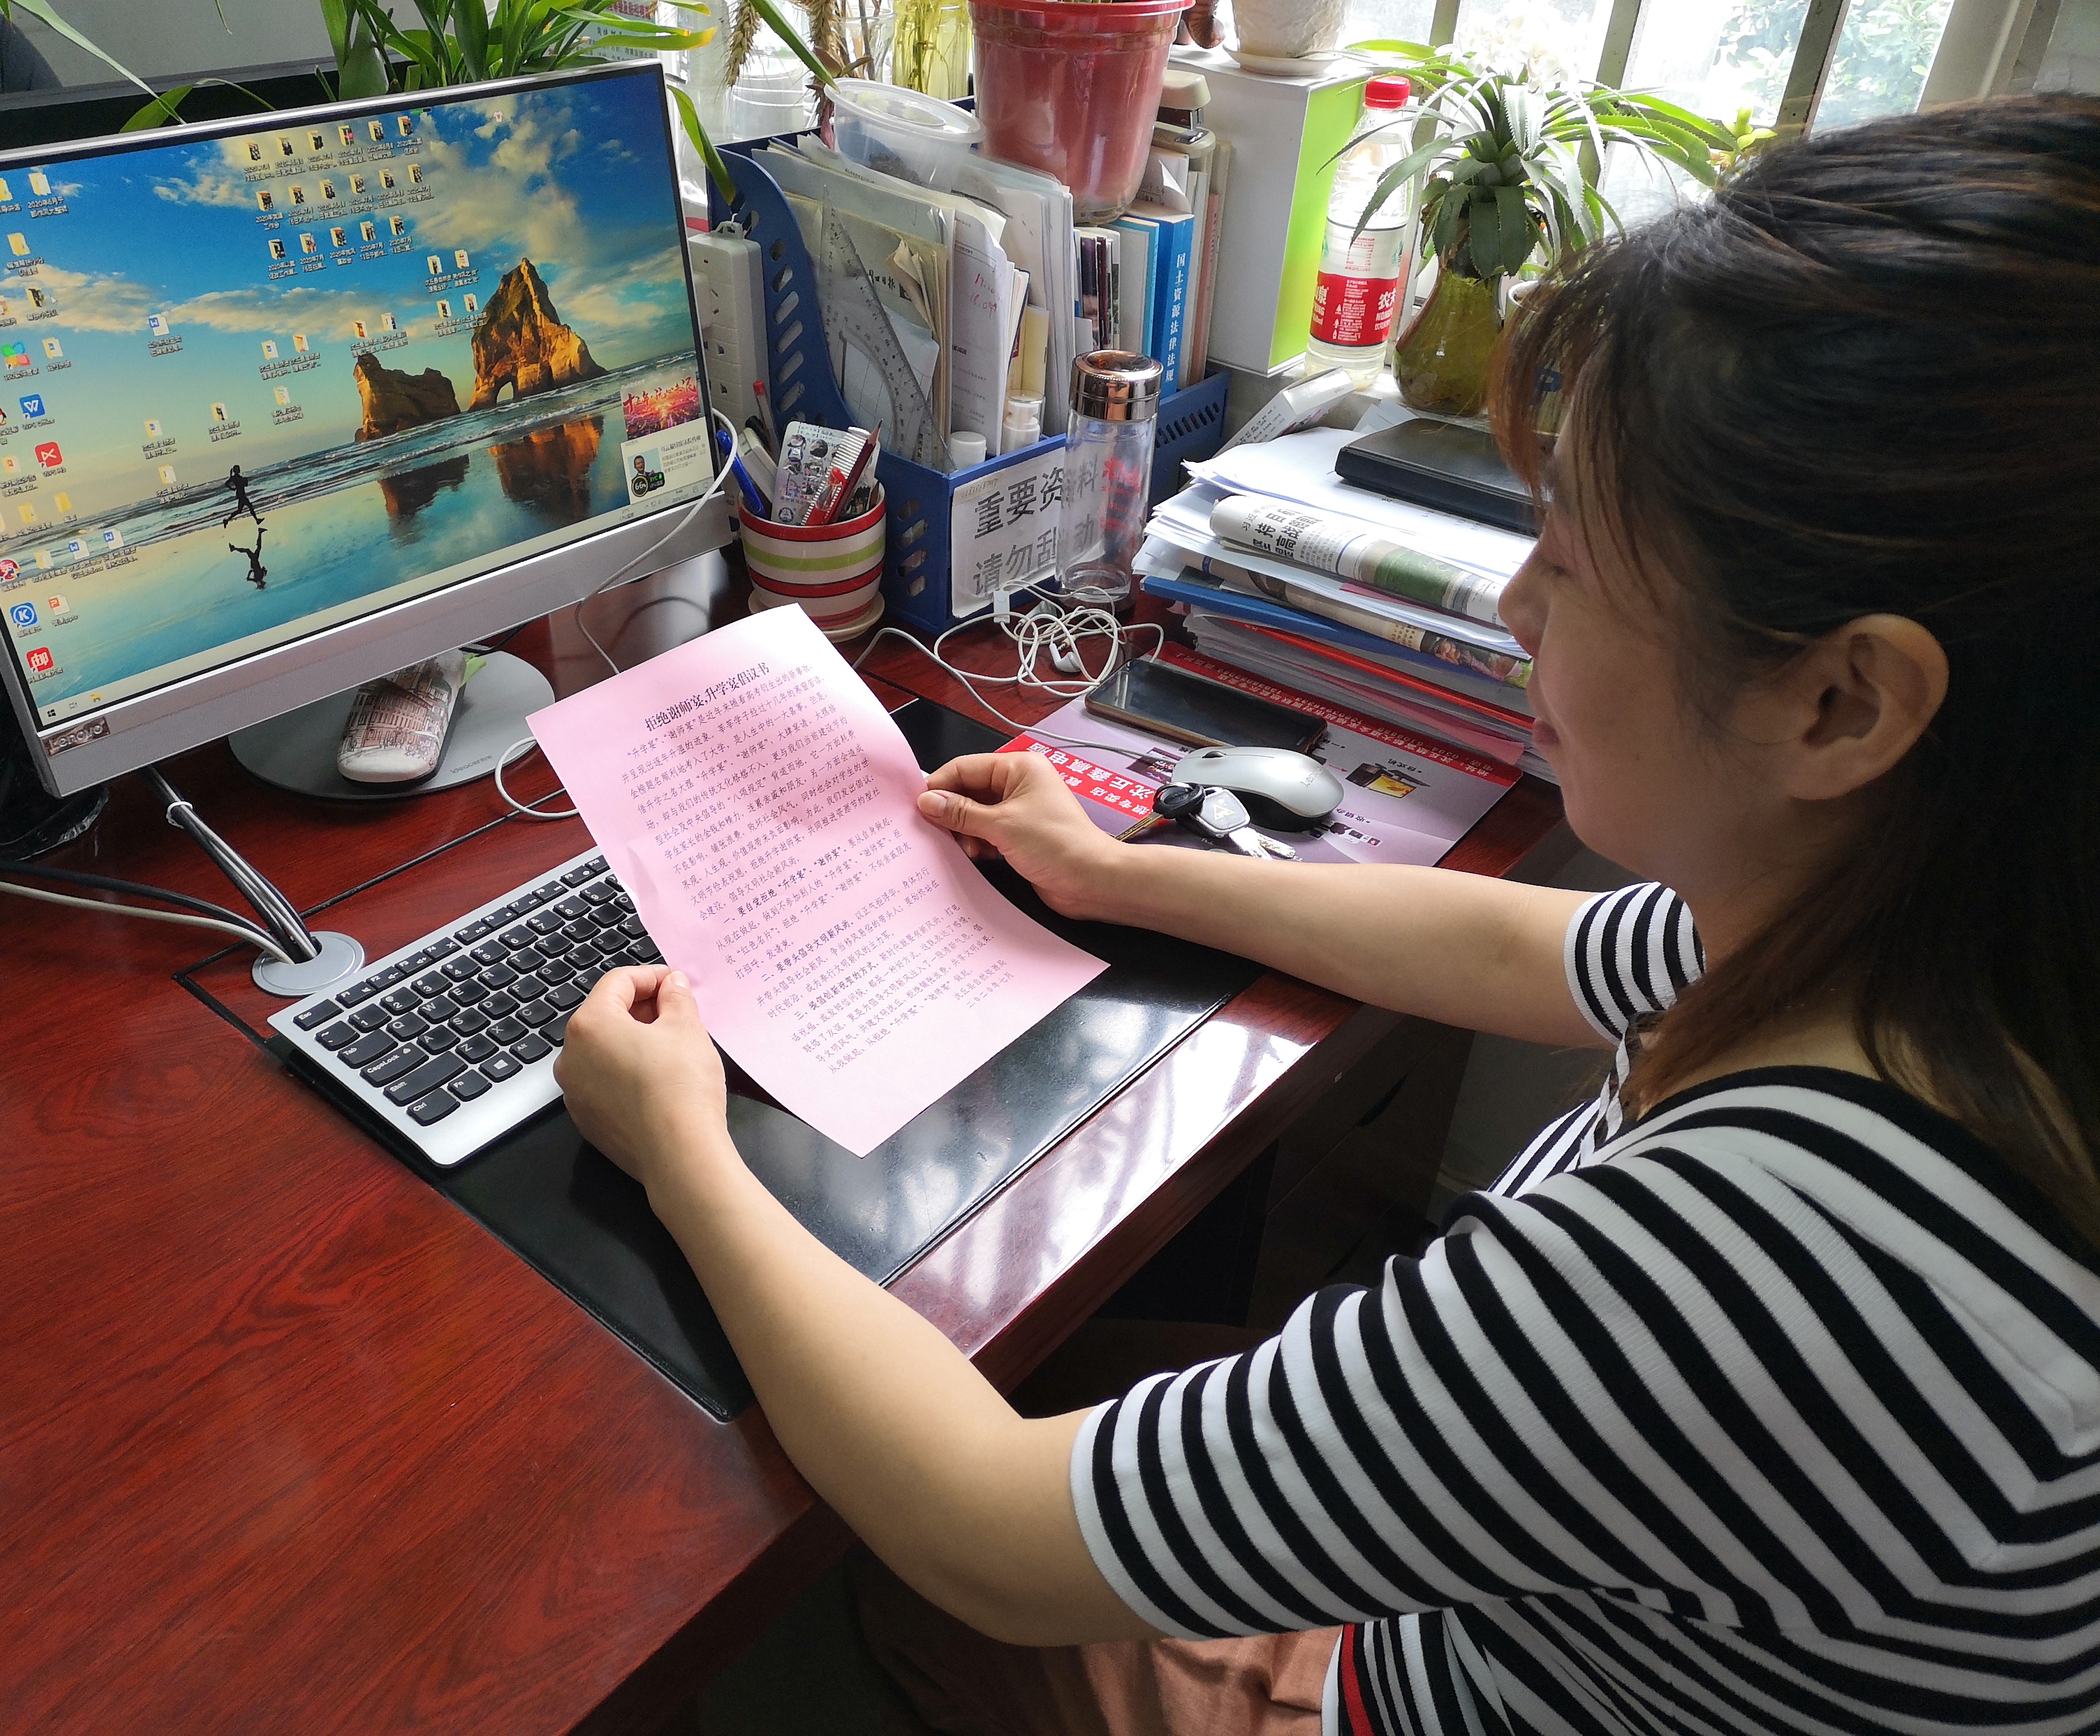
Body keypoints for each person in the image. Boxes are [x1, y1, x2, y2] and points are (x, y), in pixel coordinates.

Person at [555, 95, 2100, 1735]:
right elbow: (1536, 949)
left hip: (1422, 1688)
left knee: (901, 1544)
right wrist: (1117, 871)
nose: (1516, 606)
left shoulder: (1755, 1262)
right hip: (1588, 1633)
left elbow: (991, 1530)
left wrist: (684, 1155)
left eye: (1572, 564)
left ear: (1845, 704)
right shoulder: (1941, 943)